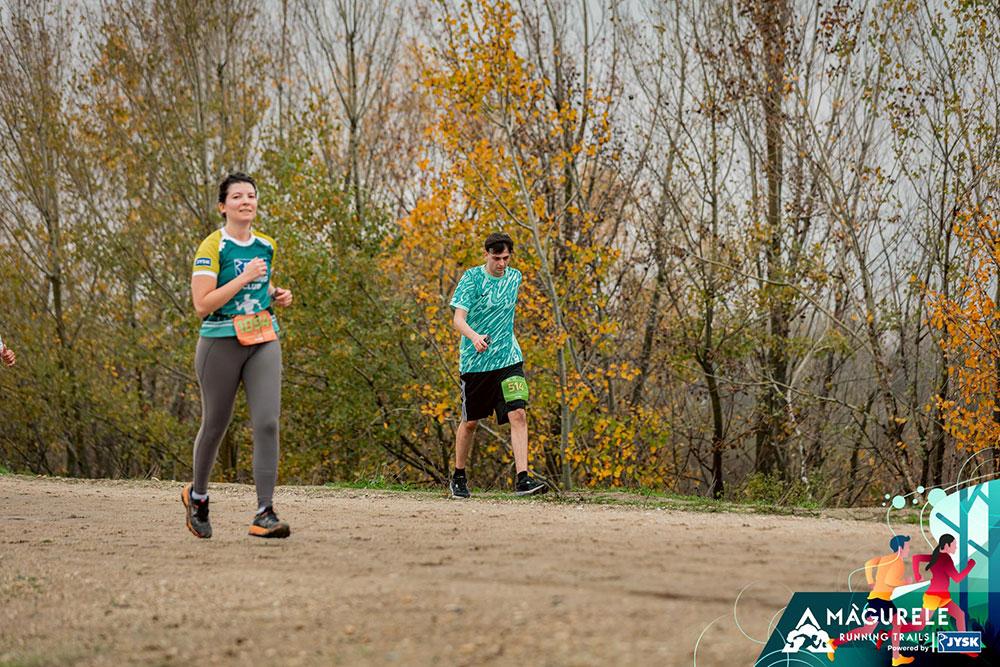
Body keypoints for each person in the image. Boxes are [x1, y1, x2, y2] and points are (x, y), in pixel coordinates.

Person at [181, 173, 293, 539]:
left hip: (262, 337)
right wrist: (245, 279)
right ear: (223, 206)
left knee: (267, 422)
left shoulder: (266, 244)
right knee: (216, 424)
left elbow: (262, 282)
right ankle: (197, 497)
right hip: (220, 340)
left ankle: (264, 512)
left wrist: (276, 293)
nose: (246, 201)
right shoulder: (213, 246)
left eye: (251, 196)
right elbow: (202, 304)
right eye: (237, 196)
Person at [447, 232, 546, 499]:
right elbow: (458, 318)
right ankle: (458, 476)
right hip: (476, 363)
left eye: (506, 258)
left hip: (508, 359)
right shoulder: (472, 279)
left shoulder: (515, 278)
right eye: (496, 258)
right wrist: (474, 336)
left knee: (518, 414)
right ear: (486, 254)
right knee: (470, 423)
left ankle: (523, 479)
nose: (502, 263)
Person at [827, 535, 915, 666]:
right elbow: (890, 581)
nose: (909, 549)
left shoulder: (886, 558)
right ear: (900, 548)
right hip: (882, 600)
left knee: (874, 629)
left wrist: (870, 581)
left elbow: (868, 563)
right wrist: (906, 582)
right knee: (884, 627)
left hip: (878, 599)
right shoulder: (898, 562)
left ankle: (834, 643)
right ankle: (895, 657)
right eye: (907, 547)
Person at [909, 534, 977, 638]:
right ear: (946, 545)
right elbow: (957, 578)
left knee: (960, 615)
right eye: (954, 545)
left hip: (942, 596)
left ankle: (964, 646)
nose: (956, 547)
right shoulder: (946, 559)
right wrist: (970, 566)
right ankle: (890, 633)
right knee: (918, 626)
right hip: (933, 596)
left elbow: (916, 558)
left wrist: (917, 575)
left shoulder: (936, 557)